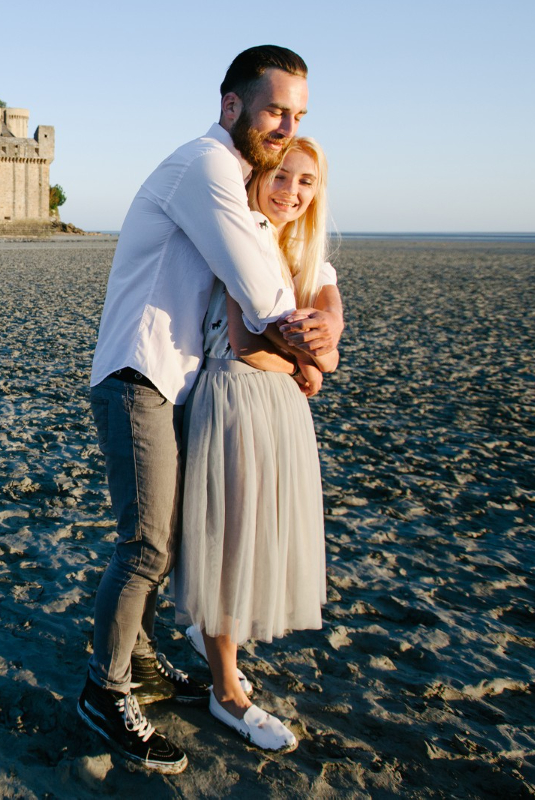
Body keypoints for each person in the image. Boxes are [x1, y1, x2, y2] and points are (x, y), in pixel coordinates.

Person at [77, 46, 343, 774]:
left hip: (173, 380)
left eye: (299, 116)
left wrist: (328, 327)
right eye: (275, 110)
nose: (286, 126)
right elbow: (262, 293)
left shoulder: (235, 175)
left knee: (166, 539)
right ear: (232, 106)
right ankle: (104, 692)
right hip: (138, 373)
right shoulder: (209, 168)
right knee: (147, 546)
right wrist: (312, 351)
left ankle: (146, 662)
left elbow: (291, 271)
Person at [174, 137, 339, 753]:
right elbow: (245, 340)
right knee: (231, 540)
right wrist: (308, 365)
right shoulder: (242, 234)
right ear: (257, 175)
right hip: (238, 398)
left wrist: (326, 346)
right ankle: (225, 692)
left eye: (306, 183)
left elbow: (328, 314)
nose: (292, 192)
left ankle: (214, 643)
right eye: (282, 176)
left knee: (255, 532)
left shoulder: (298, 246)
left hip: (278, 407)